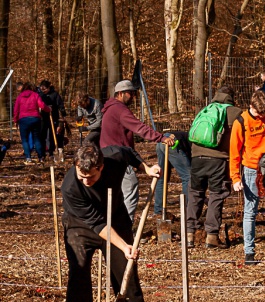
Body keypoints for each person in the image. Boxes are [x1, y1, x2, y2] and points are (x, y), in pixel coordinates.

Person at [60, 143, 163, 302]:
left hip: (116, 219)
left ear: (101, 167)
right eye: (82, 176)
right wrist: (124, 245)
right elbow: (98, 224)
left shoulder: (115, 157)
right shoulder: (71, 186)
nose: (86, 181)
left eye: (91, 176)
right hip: (80, 226)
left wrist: (147, 168)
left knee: (126, 271)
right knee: (78, 274)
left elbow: (129, 152)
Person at [100, 80, 175, 222]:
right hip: (118, 158)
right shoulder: (119, 109)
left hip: (108, 156)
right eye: (130, 93)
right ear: (121, 94)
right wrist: (160, 138)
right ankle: (125, 228)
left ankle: (115, 227)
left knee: (117, 194)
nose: (133, 96)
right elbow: (139, 127)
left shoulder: (110, 109)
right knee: (130, 189)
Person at [230, 90, 265, 264]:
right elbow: (234, 152)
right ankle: (249, 252)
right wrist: (235, 177)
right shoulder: (241, 121)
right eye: (258, 114)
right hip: (251, 169)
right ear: (251, 107)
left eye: (264, 114)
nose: (262, 117)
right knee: (250, 212)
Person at [188, 86, 242, 248]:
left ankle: (189, 234)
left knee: (195, 193)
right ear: (231, 97)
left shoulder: (205, 110)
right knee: (216, 195)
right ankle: (211, 236)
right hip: (219, 160)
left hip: (196, 157)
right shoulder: (235, 112)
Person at [154, 131, 192, 220]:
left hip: (162, 140)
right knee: (189, 177)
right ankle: (187, 212)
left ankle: (159, 211)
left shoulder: (193, 136)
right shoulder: (197, 144)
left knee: (162, 177)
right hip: (172, 142)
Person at [13, 82, 51, 164]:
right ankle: (40, 157)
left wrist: (15, 120)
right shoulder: (35, 95)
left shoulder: (20, 97)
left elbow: (16, 110)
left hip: (23, 120)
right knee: (37, 138)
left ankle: (28, 157)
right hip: (35, 118)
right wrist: (48, 109)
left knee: (25, 139)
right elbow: (42, 105)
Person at [39, 80, 67, 162]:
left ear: (48, 87)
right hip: (43, 118)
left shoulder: (55, 94)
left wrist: (63, 114)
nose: (43, 91)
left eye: (44, 89)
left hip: (53, 117)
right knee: (42, 136)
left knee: (52, 135)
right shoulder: (40, 95)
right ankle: (43, 153)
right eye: (41, 89)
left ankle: (51, 152)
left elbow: (60, 105)